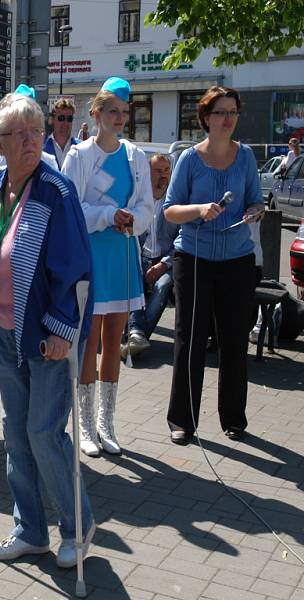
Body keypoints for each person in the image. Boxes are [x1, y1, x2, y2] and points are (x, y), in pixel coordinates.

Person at [0, 92, 96, 568]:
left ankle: (78, 526)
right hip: (6, 331)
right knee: (15, 435)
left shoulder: (56, 192)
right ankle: (30, 530)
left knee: (44, 434)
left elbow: (76, 269)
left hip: (46, 336)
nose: (30, 141)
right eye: (19, 134)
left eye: (36, 132)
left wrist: (63, 329)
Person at [163, 86, 264, 445]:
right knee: (189, 341)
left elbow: (255, 201)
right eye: (221, 112)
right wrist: (200, 210)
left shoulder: (247, 156)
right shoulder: (189, 159)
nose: (228, 119)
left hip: (237, 259)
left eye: (233, 112)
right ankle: (182, 421)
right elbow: (171, 209)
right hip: (193, 258)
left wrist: (255, 211)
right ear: (206, 118)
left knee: (234, 340)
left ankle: (234, 418)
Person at [62, 77, 153, 457]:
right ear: (96, 114)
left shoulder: (136, 156)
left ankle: (106, 423)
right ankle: (84, 424)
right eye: (112, 111)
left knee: (115, 342)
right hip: (90, 259)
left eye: (124, 112)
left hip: (123, 257)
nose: (119, 118)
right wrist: (106, 215)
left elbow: (148, 206)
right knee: (89, 342)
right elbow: (70, 210)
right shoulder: (79, 156)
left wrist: (133, 219)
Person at [122, 153, 179, 356]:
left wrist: (163, 264)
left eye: (166, 170)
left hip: (166, 262)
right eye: (158, 170)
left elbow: (182, 241)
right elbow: (128, 236)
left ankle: (137, 333)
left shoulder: (175, 203)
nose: (163, 175)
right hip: (140, 257)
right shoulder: (137, 200)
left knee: (163, 285)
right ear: (147, 173)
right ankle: (136, 335)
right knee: (132, 275)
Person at [0, 85, 57, 184]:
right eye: (20, 132)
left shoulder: (50, 164)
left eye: (35, 130)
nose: (29, 139)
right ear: (0, 144)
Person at [44, 98, 80, 169]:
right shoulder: (41, 147)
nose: (65, 123)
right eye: (61, 118)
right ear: (53, 120)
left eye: (69, 119)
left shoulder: (81, 148)